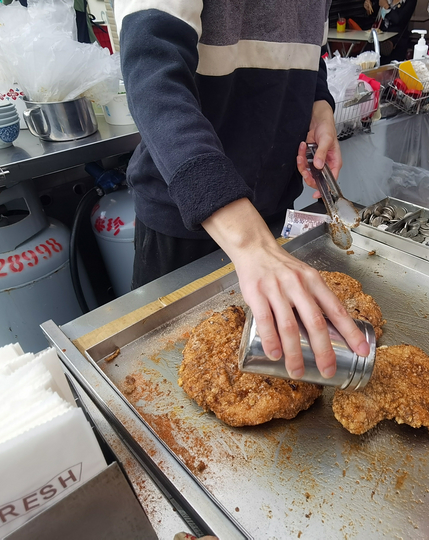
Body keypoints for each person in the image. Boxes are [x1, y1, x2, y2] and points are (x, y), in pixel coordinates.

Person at [115, 0, 371, 381]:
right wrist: (250, 243)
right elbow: (152, 75)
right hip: (186, 216)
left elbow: (305, 53)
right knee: (165, 376)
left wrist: (319, 104)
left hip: (270, 203)